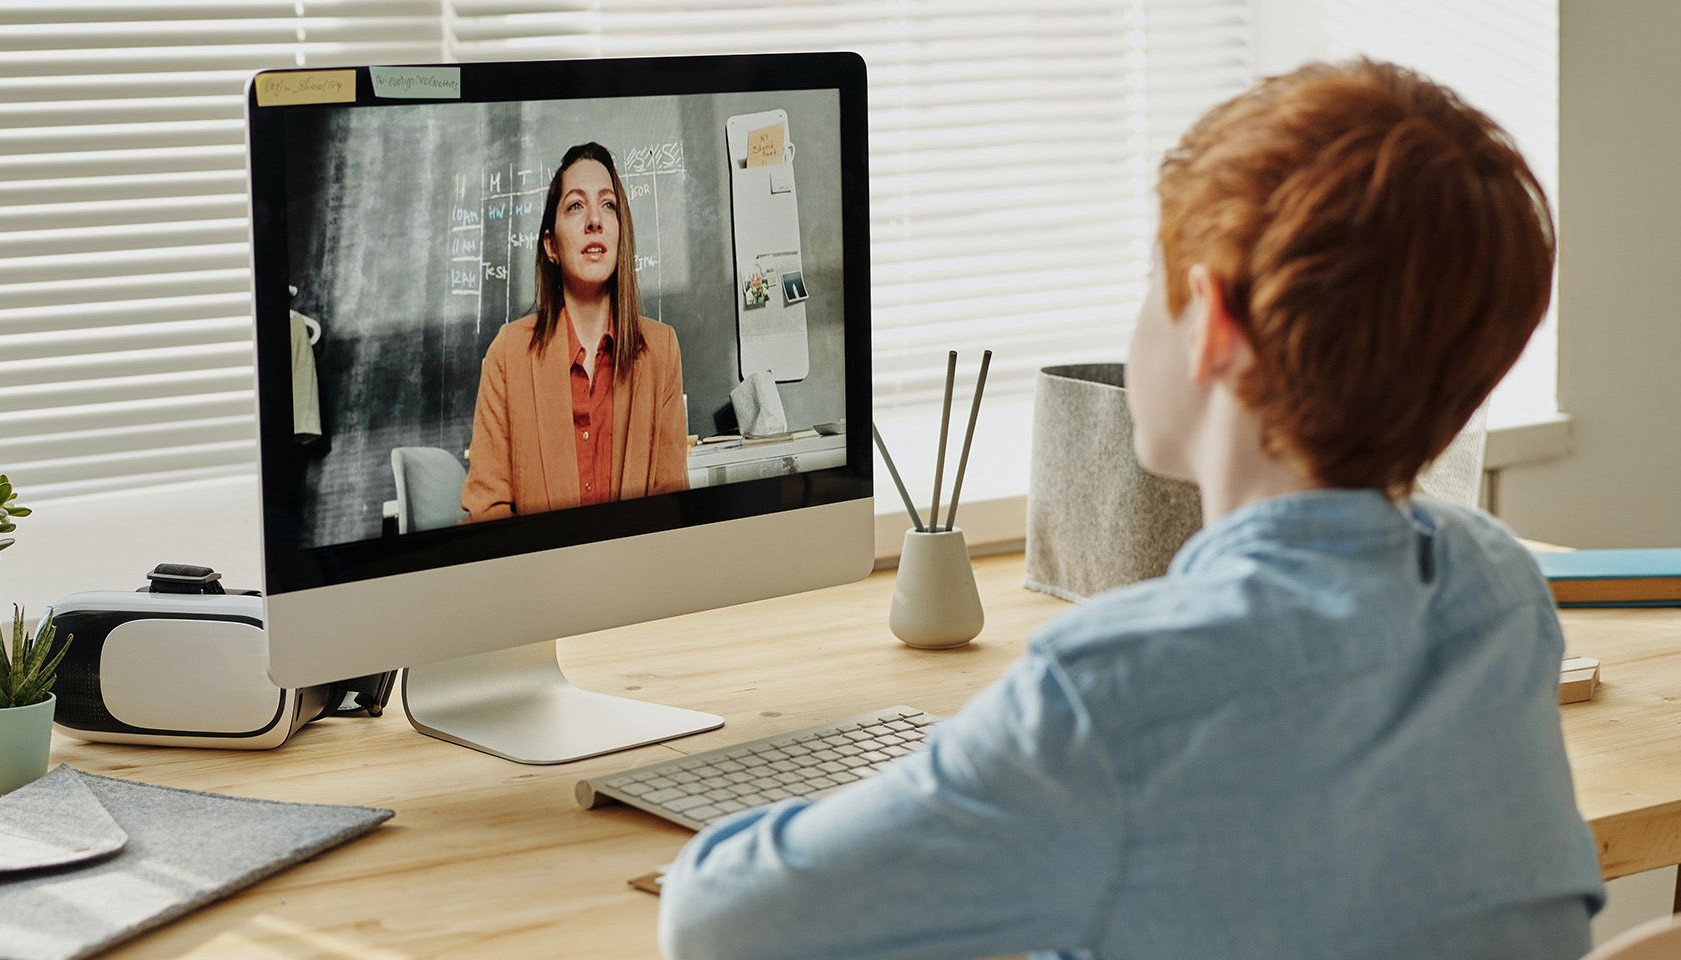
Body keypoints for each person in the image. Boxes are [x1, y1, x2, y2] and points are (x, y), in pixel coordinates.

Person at [658, 60, 1604, 960]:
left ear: (1213, 325)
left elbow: (717, 922)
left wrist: (936, 790)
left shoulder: (1115, 696)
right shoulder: (1496, 590)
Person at [460, 142, 689, 523]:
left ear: (620, 234)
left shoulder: (661, 351)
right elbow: (488, 511)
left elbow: (671, 506)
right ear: (551, 245)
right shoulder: (508, 353)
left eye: (608, 205)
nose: (594, 221)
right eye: (576, 206)